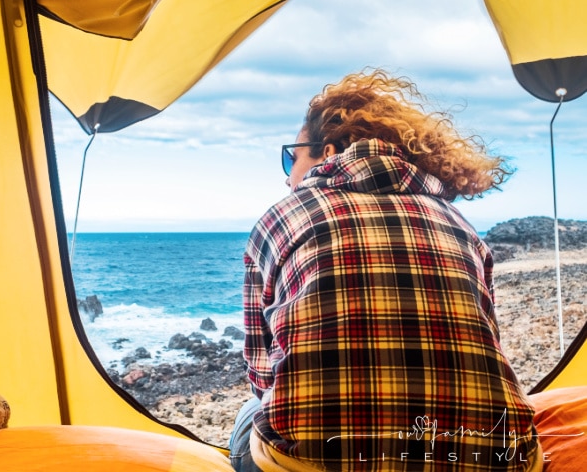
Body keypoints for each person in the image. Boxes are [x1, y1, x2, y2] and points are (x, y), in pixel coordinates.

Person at [229, 70, 542, 471]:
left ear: (327, 154)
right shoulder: (459, 225)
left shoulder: (283, 217)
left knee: (247, 416)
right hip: (492, 459)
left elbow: (261, 373)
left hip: (313, 463)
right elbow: (485, 341)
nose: (288, 174)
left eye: (292, 155)